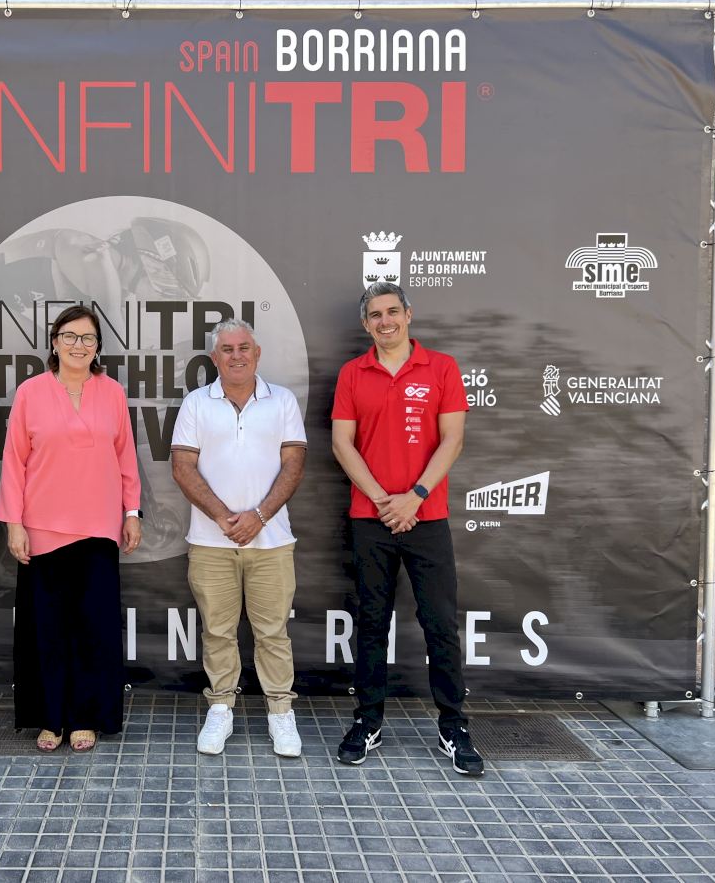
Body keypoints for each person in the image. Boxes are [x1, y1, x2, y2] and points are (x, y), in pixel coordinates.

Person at [330, 281, 485, 776]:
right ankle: (368, 721)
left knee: (440, 623)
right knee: (372, 623)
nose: (385, 321)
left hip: (427, 516)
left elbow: (452, 439)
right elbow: (342, 443)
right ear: (365, 324)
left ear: (408, 315)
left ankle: (453, 726)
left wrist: (414, 496)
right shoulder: (353, 373)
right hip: (371, 518)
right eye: (375, 315)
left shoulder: (441, 367)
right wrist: (383, 501)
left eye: (392, 312)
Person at [0, 305, 142, 752]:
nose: (79, 345)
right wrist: (14, 524)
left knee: (92, 628)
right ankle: (51, 717)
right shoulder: (30, 392)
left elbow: (126, 457)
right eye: (70, 336)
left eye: (88, 338)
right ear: (54, 342)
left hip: (99, 528)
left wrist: (132, 512)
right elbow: (14, 461)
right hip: (42, 529)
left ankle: (85, 717)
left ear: (98, 347)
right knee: (48, 630)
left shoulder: (112, 392)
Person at [171, 319, 307, 757]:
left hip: (272, 542)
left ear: (257, 352)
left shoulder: (282, 401)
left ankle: (280, 712)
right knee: (217, 631)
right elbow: (182, 466)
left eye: (243, 347)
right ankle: (220, 708)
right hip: (211, 543)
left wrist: (259, 517)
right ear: (215, 358)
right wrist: (223, 516)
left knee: (273, 633)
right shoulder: (196, 403)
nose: (236, 356)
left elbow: (294, 464)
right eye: (226, 349)